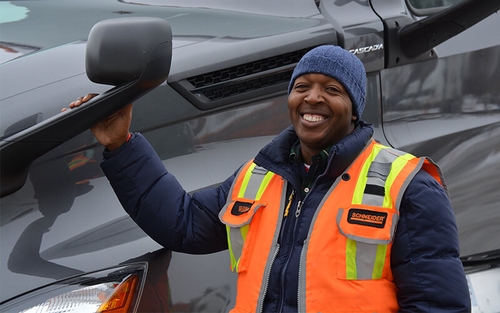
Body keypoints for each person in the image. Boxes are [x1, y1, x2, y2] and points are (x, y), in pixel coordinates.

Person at [69, 45, 471, 312]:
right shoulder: (257, 177)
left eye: (332, 89)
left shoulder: (408, 185)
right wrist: (121, 144)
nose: (313, 98)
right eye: (302, 87)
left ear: (354, 110)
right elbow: (182, 223)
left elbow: (437, 305)